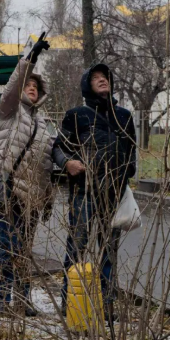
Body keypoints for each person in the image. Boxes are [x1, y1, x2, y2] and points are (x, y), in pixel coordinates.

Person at [52, 64, 136, 317]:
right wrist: (67, 163)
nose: (102, 81)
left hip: (114, 194)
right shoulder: (76, 115)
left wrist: (127, 171)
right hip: (83, 193)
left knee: (109, 250)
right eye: (96, 78)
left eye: (105, 77)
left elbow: (132, 150)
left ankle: (107, 304)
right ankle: (71, 300)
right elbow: (58, 148)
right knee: (77, 246)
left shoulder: (124, 116)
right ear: (87, 85)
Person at [0, 37, 56, 316]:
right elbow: (11, 89)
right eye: (28, 85)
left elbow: (48, 160)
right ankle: (3, 300)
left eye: (35, 87)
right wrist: (29, 61)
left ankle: (23, 301)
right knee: (10, 248)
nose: (31, 88)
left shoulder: (44, 123)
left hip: (32, 198)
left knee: (25, 252)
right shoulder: (8, 112)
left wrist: (48, 198)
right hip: (9, 191)